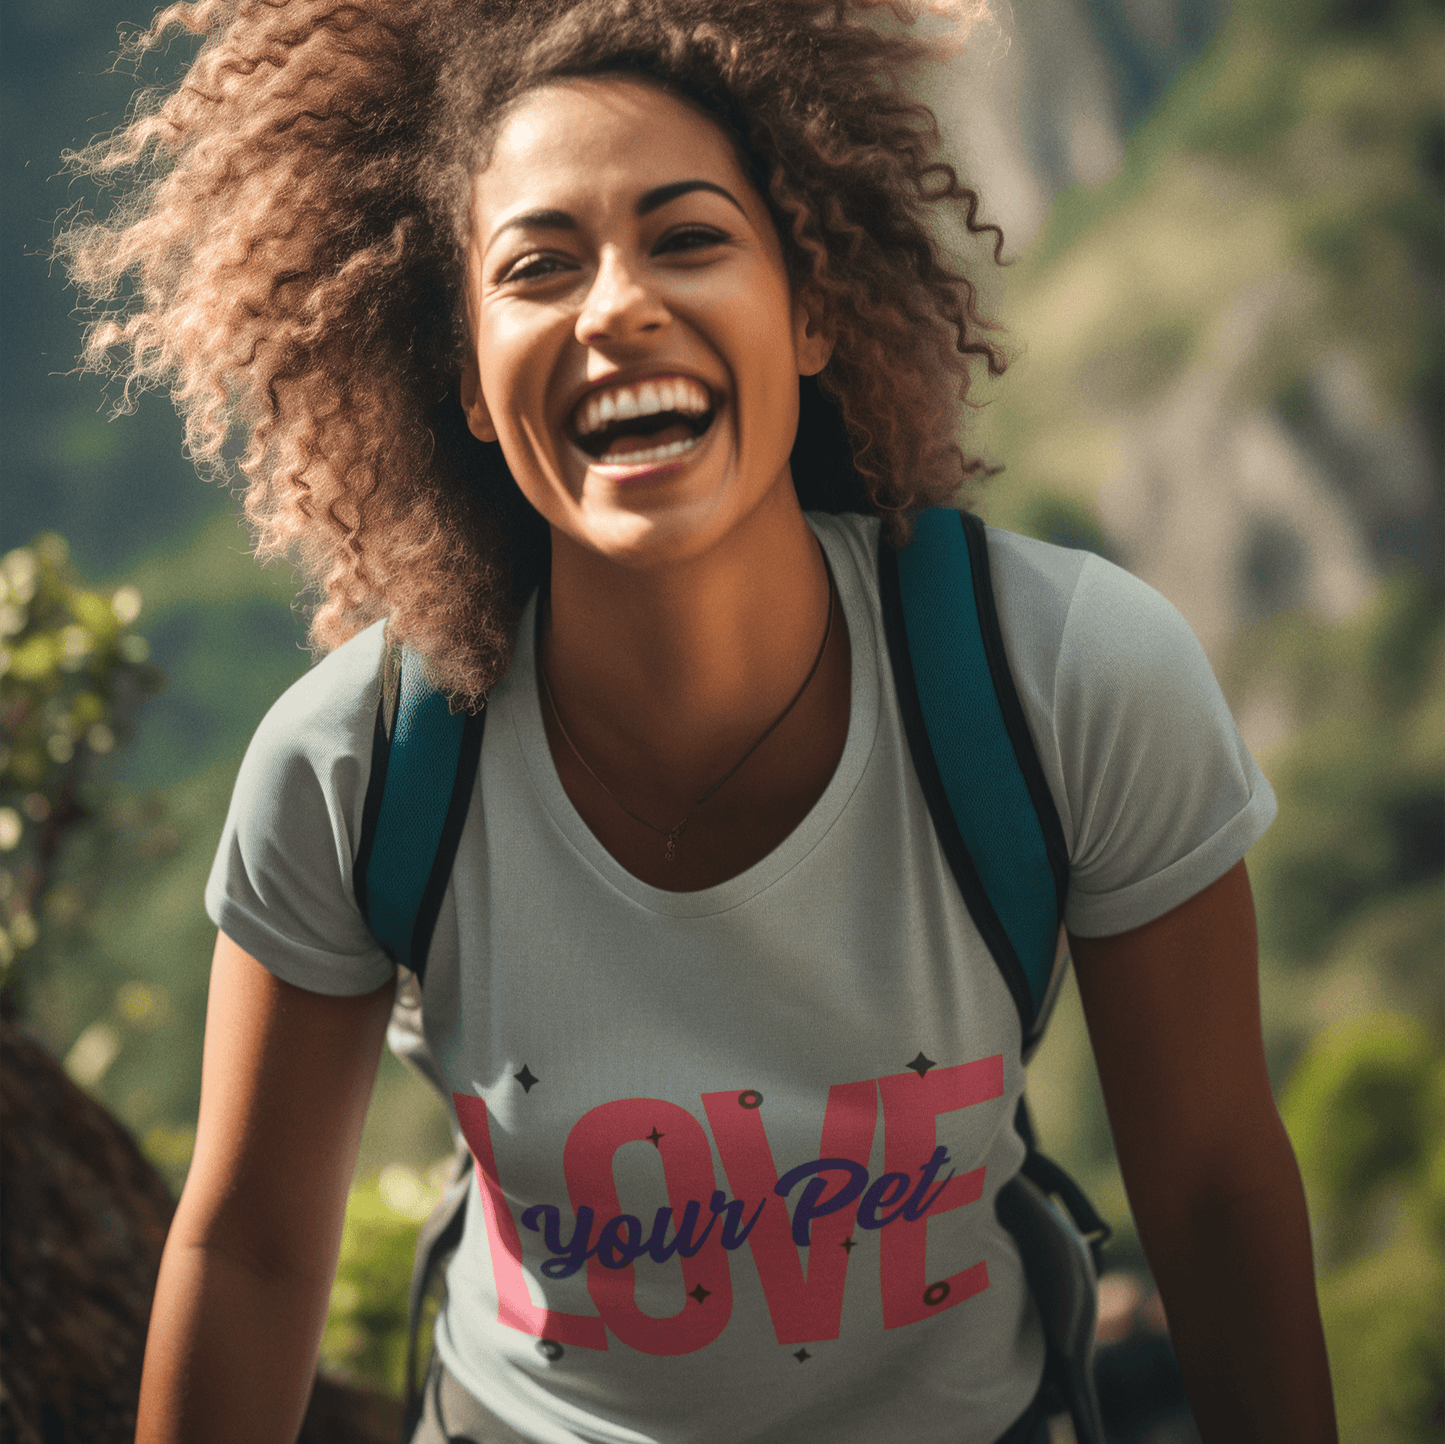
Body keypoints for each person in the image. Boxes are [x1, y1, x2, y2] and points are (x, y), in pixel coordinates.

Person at [58, 2, 1338, 1441]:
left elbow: (1218, 1184)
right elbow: (249, 1250)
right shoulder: (359, 769)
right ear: (467, 380)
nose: (616, 307)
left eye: (687, 238)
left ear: (809, 311)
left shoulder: (1066, 682)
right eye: (539, 267)